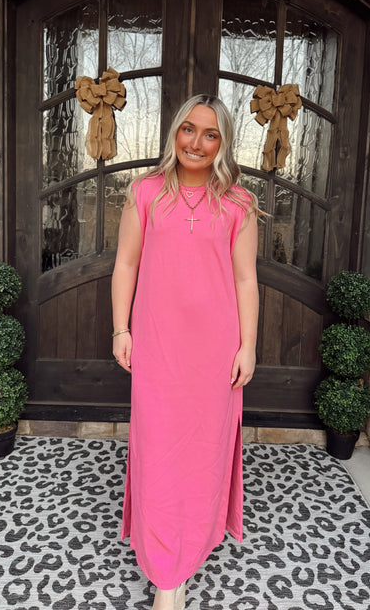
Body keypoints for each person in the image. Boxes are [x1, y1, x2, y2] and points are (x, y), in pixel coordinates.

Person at [111, 94, 259, 610]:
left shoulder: (239, 203)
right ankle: (167, 573)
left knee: (203, 454)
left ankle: (185, 554)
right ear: (174, 133)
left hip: (215, 354)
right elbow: (126, 264)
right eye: (188, 129)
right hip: (158, 348)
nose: (196, 142)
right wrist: (121, 329)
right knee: (158, 453)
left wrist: (248, 346)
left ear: (223, 143)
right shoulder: (145, 192)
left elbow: (246, 279)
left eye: (210, 134)